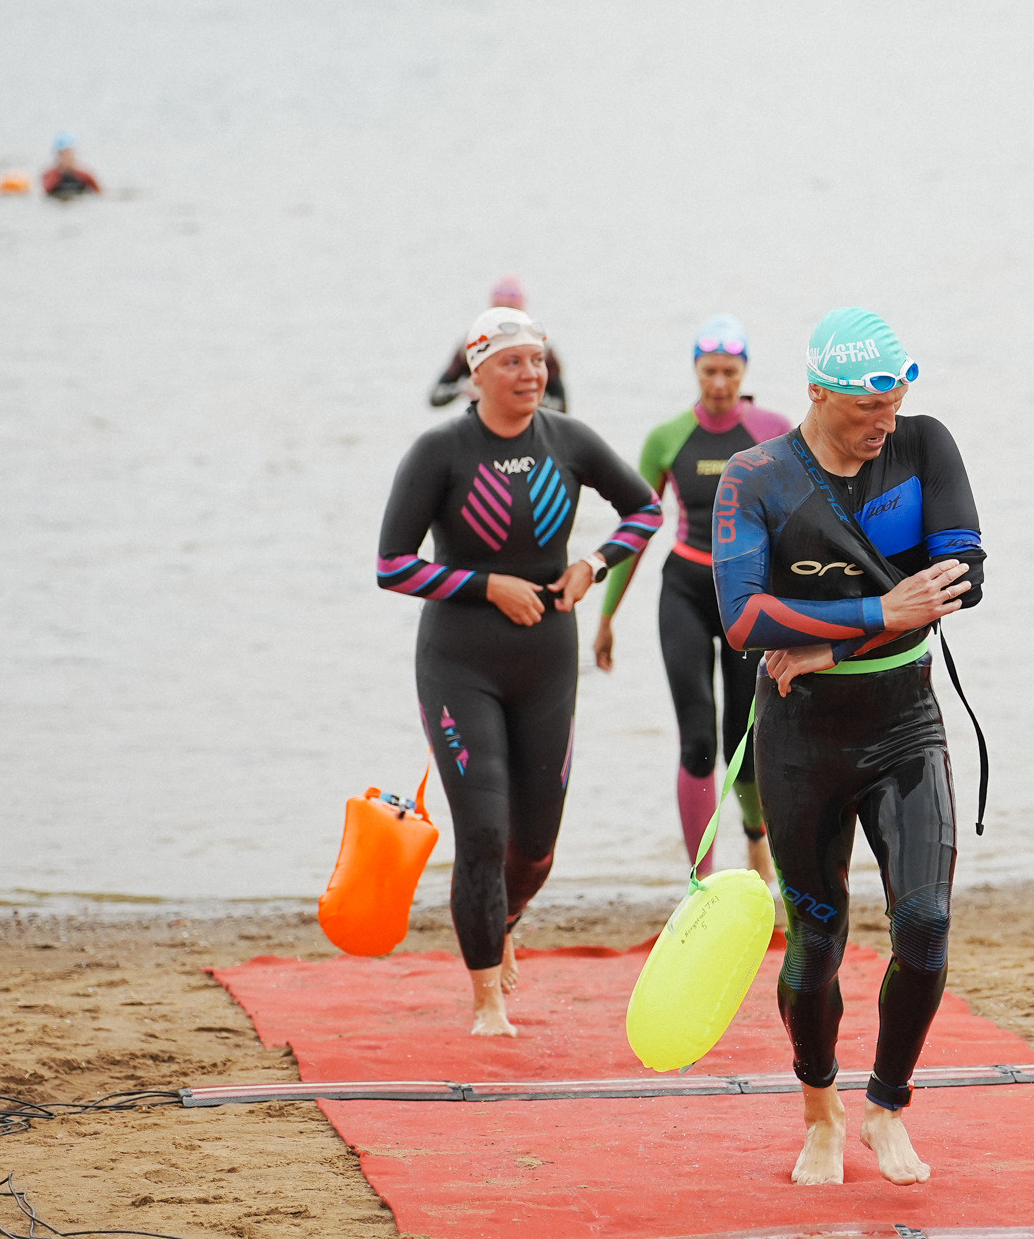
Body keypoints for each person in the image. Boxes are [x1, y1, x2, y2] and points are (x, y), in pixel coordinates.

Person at [711, 307, 984, 1187]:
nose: (886, 426)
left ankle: (887, 1106)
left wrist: (834, 641)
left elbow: (962, 579)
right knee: (815, 944)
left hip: (906, 723)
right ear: (820, 391)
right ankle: (820, 1109)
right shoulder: (754, 477)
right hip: (799, 744)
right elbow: (744, 618)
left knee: (927, 924)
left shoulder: (924, 446)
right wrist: (879, 610)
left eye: (895, 405)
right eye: (869, 411)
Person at [376, 306, 661, 1037]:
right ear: (477, 373)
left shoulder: (568, 439)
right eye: (512, 361)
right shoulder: (439, 451)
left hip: (546, 662)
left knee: (534, 847)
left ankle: (504, 919)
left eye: (537, 360)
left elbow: (645, 510)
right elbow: (392, 566)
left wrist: (592, 566)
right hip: (459, 661)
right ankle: (486, 1002)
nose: (530, 373)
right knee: (481, 832)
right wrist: (484, 584)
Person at [593, 314, 792, 881]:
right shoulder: (667, 437)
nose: (721, 383)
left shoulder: (771, 431)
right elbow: (636, 527)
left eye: (731, 371)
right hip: (683, 587)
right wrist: (607, 618)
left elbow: (800, 520)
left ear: (745, 370)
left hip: (747, 597)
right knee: (698, 736)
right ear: (696, 371)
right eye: (710, 371)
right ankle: (701, 883)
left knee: (744, 738)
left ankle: (757, 839)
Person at [430, 276, 567, 411]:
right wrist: (463, 388)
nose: (505, 320)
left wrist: (528, 394)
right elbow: (434, 397)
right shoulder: (475, 343)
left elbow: (561, 406)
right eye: (499, 312)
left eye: (511, 313)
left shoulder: (540, 346)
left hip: (530, 420)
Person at [39, 133, 102, 200]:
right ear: (59, 155)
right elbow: (46, 191)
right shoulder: (50, 175)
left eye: (70, 154)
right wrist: (61, 174)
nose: (68, 157)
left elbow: (99, 193)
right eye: (64, 154)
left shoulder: (83, 175)